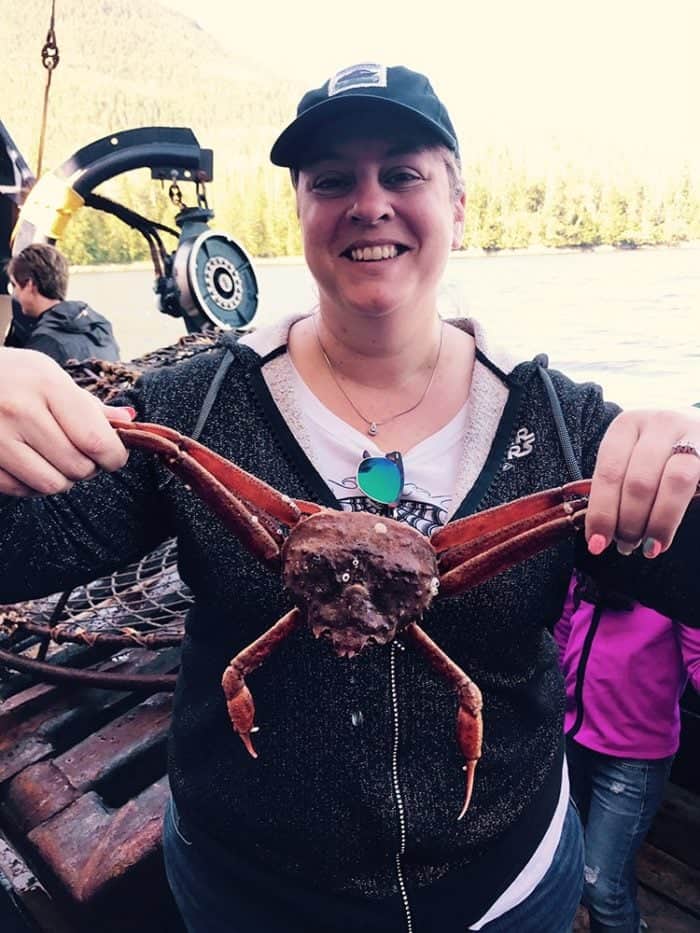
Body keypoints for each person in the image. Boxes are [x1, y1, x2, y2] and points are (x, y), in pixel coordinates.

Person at [0, 63, 699, 933]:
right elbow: (22, 550)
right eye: (333, 180)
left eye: (403, 172)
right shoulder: (194, 413)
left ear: (458, 202)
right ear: (299, 208)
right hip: (246, 893)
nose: (369, 203)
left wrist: (684, 455)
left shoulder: (562, 428)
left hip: (507, 891)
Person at [555, 572, 700, 933]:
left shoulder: (679, 579)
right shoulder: (592, 566)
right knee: (574, 864)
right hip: (571, 738)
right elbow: (563, 630)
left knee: (601, 886)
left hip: (633, 761)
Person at [5, 242, 120, 363]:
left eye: (14, 285)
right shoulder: (101, 326)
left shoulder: (44, 345)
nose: (14, 294)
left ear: (30, 284)